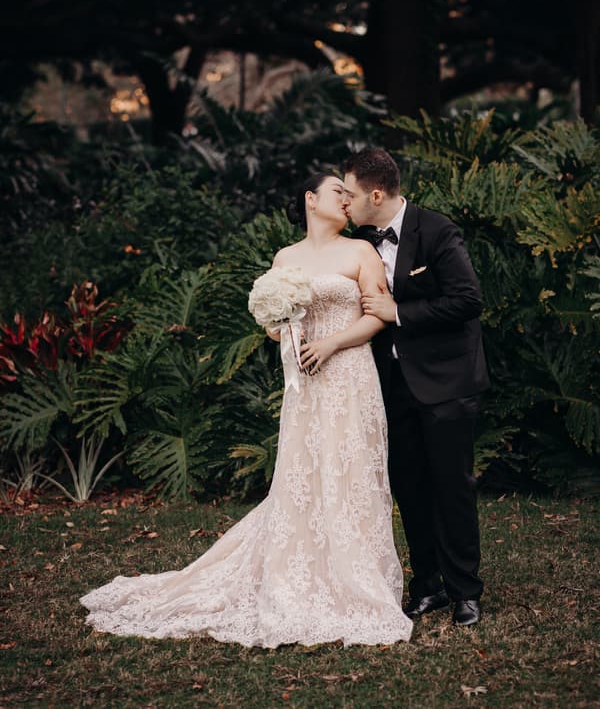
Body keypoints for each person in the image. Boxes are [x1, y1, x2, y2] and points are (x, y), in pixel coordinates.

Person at [80, 172, 413, 647]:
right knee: (305, 473)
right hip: (307, 383)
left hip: (351, 374)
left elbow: (376, 316)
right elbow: (275, 328)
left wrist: (332, 343)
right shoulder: (286, 258)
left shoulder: (361, 251)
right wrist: (282, 327)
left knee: (353, 472)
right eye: (336, 191)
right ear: (310, 199)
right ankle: (300, 573)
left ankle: (360, 580)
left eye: (348, 193)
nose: (345, 199)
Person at [342, 147, 489, 627]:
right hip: (392, 384)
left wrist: (398, 313)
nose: (345, 203)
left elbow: (468, 300)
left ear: (377, 194)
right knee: (410, 486)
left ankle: (465, 590)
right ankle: (428, 584)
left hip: (447, 382)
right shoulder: (360, 240)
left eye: (351, 194)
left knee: (452, 488)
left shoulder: (438, 230)